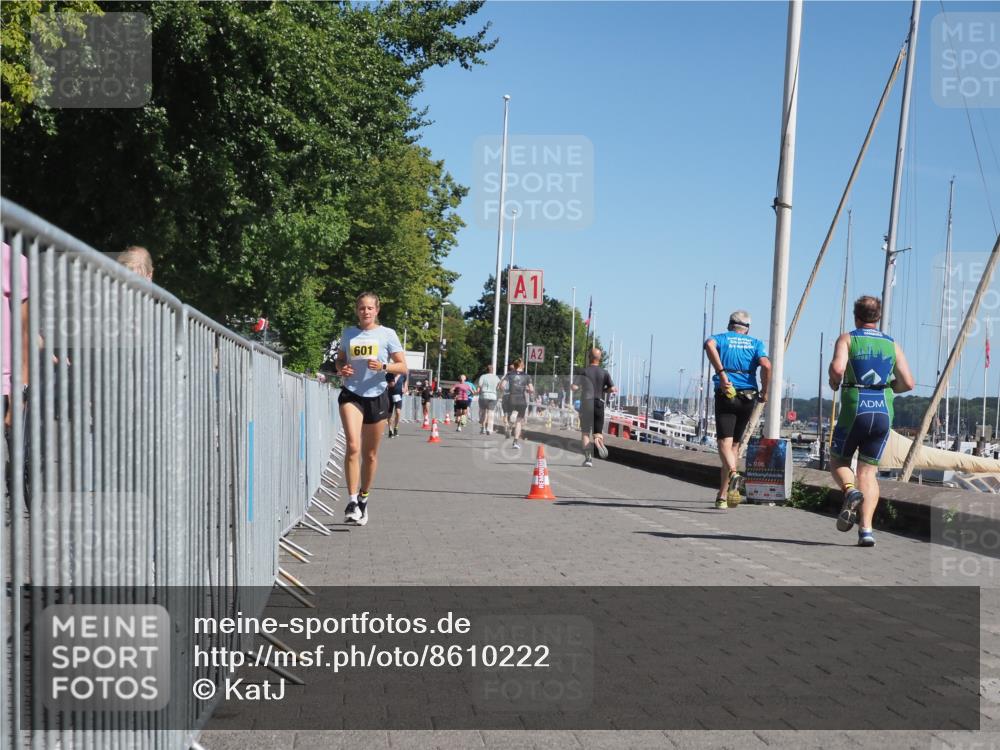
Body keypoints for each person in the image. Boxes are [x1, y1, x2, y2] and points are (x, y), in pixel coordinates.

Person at [828, 296, 914, 548]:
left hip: (856, 407)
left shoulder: (848, 338)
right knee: (869, 472)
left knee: (839, 460)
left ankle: (849, 490)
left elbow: (837, 369)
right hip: (883, 409)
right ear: (877, 317)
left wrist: (834, 382)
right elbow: (908, 383)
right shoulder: (892, 344)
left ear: (856, 316)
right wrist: (888, 388)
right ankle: (866, 530)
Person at [335, 292, 407, 527]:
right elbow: (340, 359)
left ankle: (364, 498)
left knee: (370, 454)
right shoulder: (348, 333)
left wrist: (384, 366)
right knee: (353, 445)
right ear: (357, 310)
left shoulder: (387, 335)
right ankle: (352, 501)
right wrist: (341, 368)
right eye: (361, 308)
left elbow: (403, 367)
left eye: (369, 308)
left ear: (377, 311)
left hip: (377, 396)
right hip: (351, 393)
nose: (365, 312)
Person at [704, 309, 771, 509]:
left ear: (729, 325)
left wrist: (722, 373)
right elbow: (766, 366)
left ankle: (733, 474)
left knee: (723, 443)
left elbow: (709, 344)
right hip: (749, 396)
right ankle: (722, 497)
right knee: (733, 447)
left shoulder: (721, 338)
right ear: (747, 329)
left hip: (727, 393)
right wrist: (765, 391)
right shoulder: (756, 343)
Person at [571, 347, 617, 467]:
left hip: (586, 403)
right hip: (599, 403)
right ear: (599, 358)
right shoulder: (604, 372)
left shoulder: (584, 371)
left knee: (585, 432)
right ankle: (598, 441)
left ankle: (588, 459)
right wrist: (604, 390)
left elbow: (574, 387)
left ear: (589, 357)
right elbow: (613, 389)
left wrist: (574, 385)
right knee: (597, 433)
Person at [498, 358, 533, 450]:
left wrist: (503, 390)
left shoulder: (509, 374)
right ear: (522, 365)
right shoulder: (527, 376)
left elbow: (502, 386)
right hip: (521, 399)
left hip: (511, 398)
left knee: (510, 416)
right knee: (519, 421)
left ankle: (509, 425)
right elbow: (531, 390)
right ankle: (515, 442)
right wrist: (527, 389)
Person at [476, 364, 501, 435]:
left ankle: (483, 427)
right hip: (493, 396)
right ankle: (489, 429)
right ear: (492, 370)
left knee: (483, 412)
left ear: (486, 370)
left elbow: (479, 386)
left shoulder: (483, 376)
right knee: (491, 413)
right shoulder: (496, 377)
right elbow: (498, 387)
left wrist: (476, 392)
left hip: (484, 396)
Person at [386, 369, 407, 437]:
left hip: (398, 396)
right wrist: (389, 384)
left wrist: (405, 388)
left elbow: (405, 382)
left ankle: (396, 427)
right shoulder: (389, 375)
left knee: (398, 412)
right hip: (389, 396)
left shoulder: (403, 375)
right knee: (389, 414)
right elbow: (383, 384)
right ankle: (390, 429)